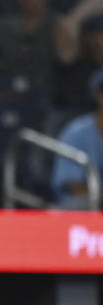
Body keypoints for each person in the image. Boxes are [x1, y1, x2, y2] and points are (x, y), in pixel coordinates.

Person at [52, 69, 103, 210]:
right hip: (82, 206)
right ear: (98, 95)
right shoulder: (76, 132)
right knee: (80, 203)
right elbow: (73, 186)